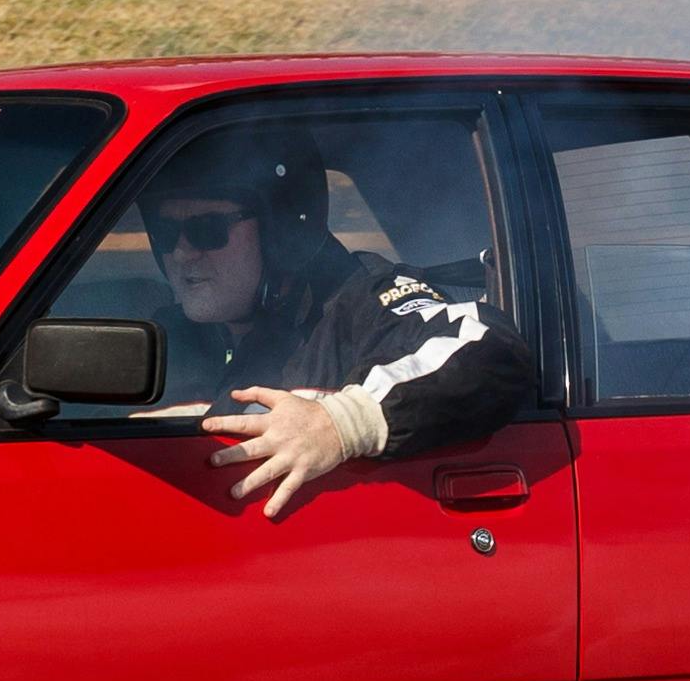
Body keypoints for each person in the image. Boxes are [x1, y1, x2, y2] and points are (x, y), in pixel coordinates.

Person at [128, 128, 535, 518]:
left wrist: (341, 424)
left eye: (206, 230)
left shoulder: (362, 304)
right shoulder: (168, 337)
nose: (181, 254)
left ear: (281, 231)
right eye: (165, 232)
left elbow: (489, 349)